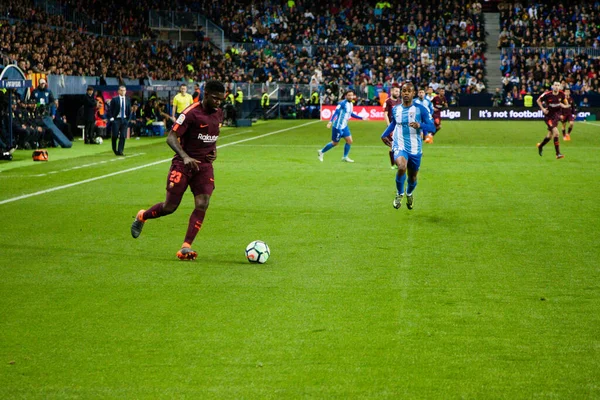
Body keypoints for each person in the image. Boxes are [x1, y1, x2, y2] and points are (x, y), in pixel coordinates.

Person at [130, 80, 226, 261]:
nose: (218, 103)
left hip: (204, 167)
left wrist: (213, 150)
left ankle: (186, 246)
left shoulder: (219, 113)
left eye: (221, 99)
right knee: (170, 207)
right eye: (215, 99)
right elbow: (171, 137)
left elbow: (212, 136)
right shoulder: (190, 113)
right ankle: (142, 216)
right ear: (206, 95)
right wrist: (185, 156)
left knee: (203, 203)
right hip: (183, 164)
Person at [380, 82, 435, 210]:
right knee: (401, 166)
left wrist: (420, 125)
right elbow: (394, 123)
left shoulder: (420, 109)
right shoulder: (396, 109)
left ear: (413, 93)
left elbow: (432, 126)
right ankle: (399, 193)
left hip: (415, 148)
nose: (405, 93)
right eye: (403, 90)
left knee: (413, 177)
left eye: (408, 91)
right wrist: (384, 134)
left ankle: (409, 193)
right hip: (400, 144)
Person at [317, 90, 368, 163]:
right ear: (346, 96)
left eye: (351, 95)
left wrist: (361, 118)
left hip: (344, 126)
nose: (350, 97)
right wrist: (330, 122)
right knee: (335, 143)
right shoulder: (342, 104)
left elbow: (351, 114)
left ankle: (345, 157)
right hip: (338, 127)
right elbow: (336, 113)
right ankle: (321, 152)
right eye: (349, 95)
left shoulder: (351, 104)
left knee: (349, 141)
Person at [536, 82, 570, 159]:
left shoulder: (562, 94)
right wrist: (543, 109)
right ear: (552, 86)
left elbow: (566, 104)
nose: (556, 87)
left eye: (558, 85)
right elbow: (538, 100)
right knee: (556, 133)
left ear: (560, 87)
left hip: (556, 117)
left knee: (549, 136)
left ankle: (540, 146)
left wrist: (564, 108)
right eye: (555, 85)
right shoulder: (547, 94)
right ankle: (558, 154)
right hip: (548, 117)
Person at [382, 83, 402, 168]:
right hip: (392, 126)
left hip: (399, 126)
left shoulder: (399, 101)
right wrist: (389, 126)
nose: (397, 93)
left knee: (398, 145)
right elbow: (385, 114)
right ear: (392, 91)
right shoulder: (388, 101)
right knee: (393, 145)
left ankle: (397, 163)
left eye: (398, 91)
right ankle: (393, 164)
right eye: (396, 91)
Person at [109, 85, 131, 156]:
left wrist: (127, 120)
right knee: (115, 136)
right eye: (121, 90)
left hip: (124, 120)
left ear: (126, 91)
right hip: (116, 120)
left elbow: (129, 110)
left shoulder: (127, 99)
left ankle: (120, 151)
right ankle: (114, 149)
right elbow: (110, 110)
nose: (123, 92)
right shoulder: (115, 99)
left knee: (123, 136)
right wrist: (112, 118)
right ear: (118, 91)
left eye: (124, 90)